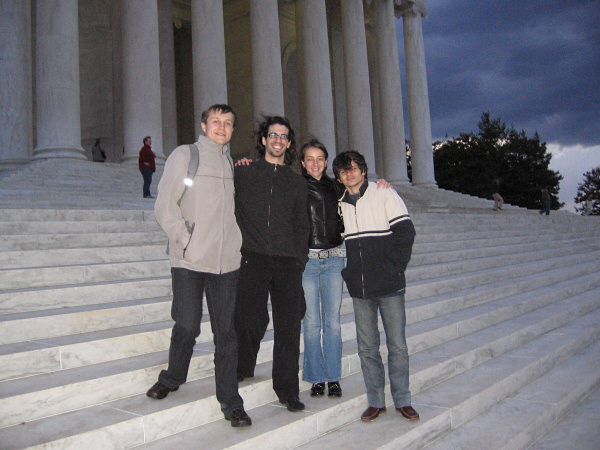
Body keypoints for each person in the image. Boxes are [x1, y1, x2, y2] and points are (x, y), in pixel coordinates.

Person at [147, 104, 252, 428]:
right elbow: (165, 205)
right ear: (204, 125)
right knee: (188, 325)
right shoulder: (186, 155)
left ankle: (231, 403)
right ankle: (172, 377)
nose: (222, 127)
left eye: (228, 123)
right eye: (216, 122)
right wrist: (185, 241)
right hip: (190, 261)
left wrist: (235, 246)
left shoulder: (231, 164)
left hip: (226, 263)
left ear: (233, 130)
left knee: (226, 334)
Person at [332, 150, 419, 424]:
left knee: (397, 346)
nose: (350, 173)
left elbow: (406, 233)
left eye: (355, 168)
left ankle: (403, 399)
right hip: (360, 289)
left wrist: (393, 269)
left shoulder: (384, 194)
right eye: (344, 170)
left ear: (364, 171)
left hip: (389, 285)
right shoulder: (340, 204)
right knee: (367, 348)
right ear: (339, 176)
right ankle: (375, 401)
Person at [234, 115, 309, 413]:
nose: (278, 140)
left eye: (283, 136)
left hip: (287, 262)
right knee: (247, 318)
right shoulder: (244, 173)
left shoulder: (296, 182)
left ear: (289, 144)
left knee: (289, 327)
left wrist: (299, 258)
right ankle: (243, 365)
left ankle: (287, 388)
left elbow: (302, 225)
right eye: (272, 135)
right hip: (252, 257)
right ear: (263, 139)